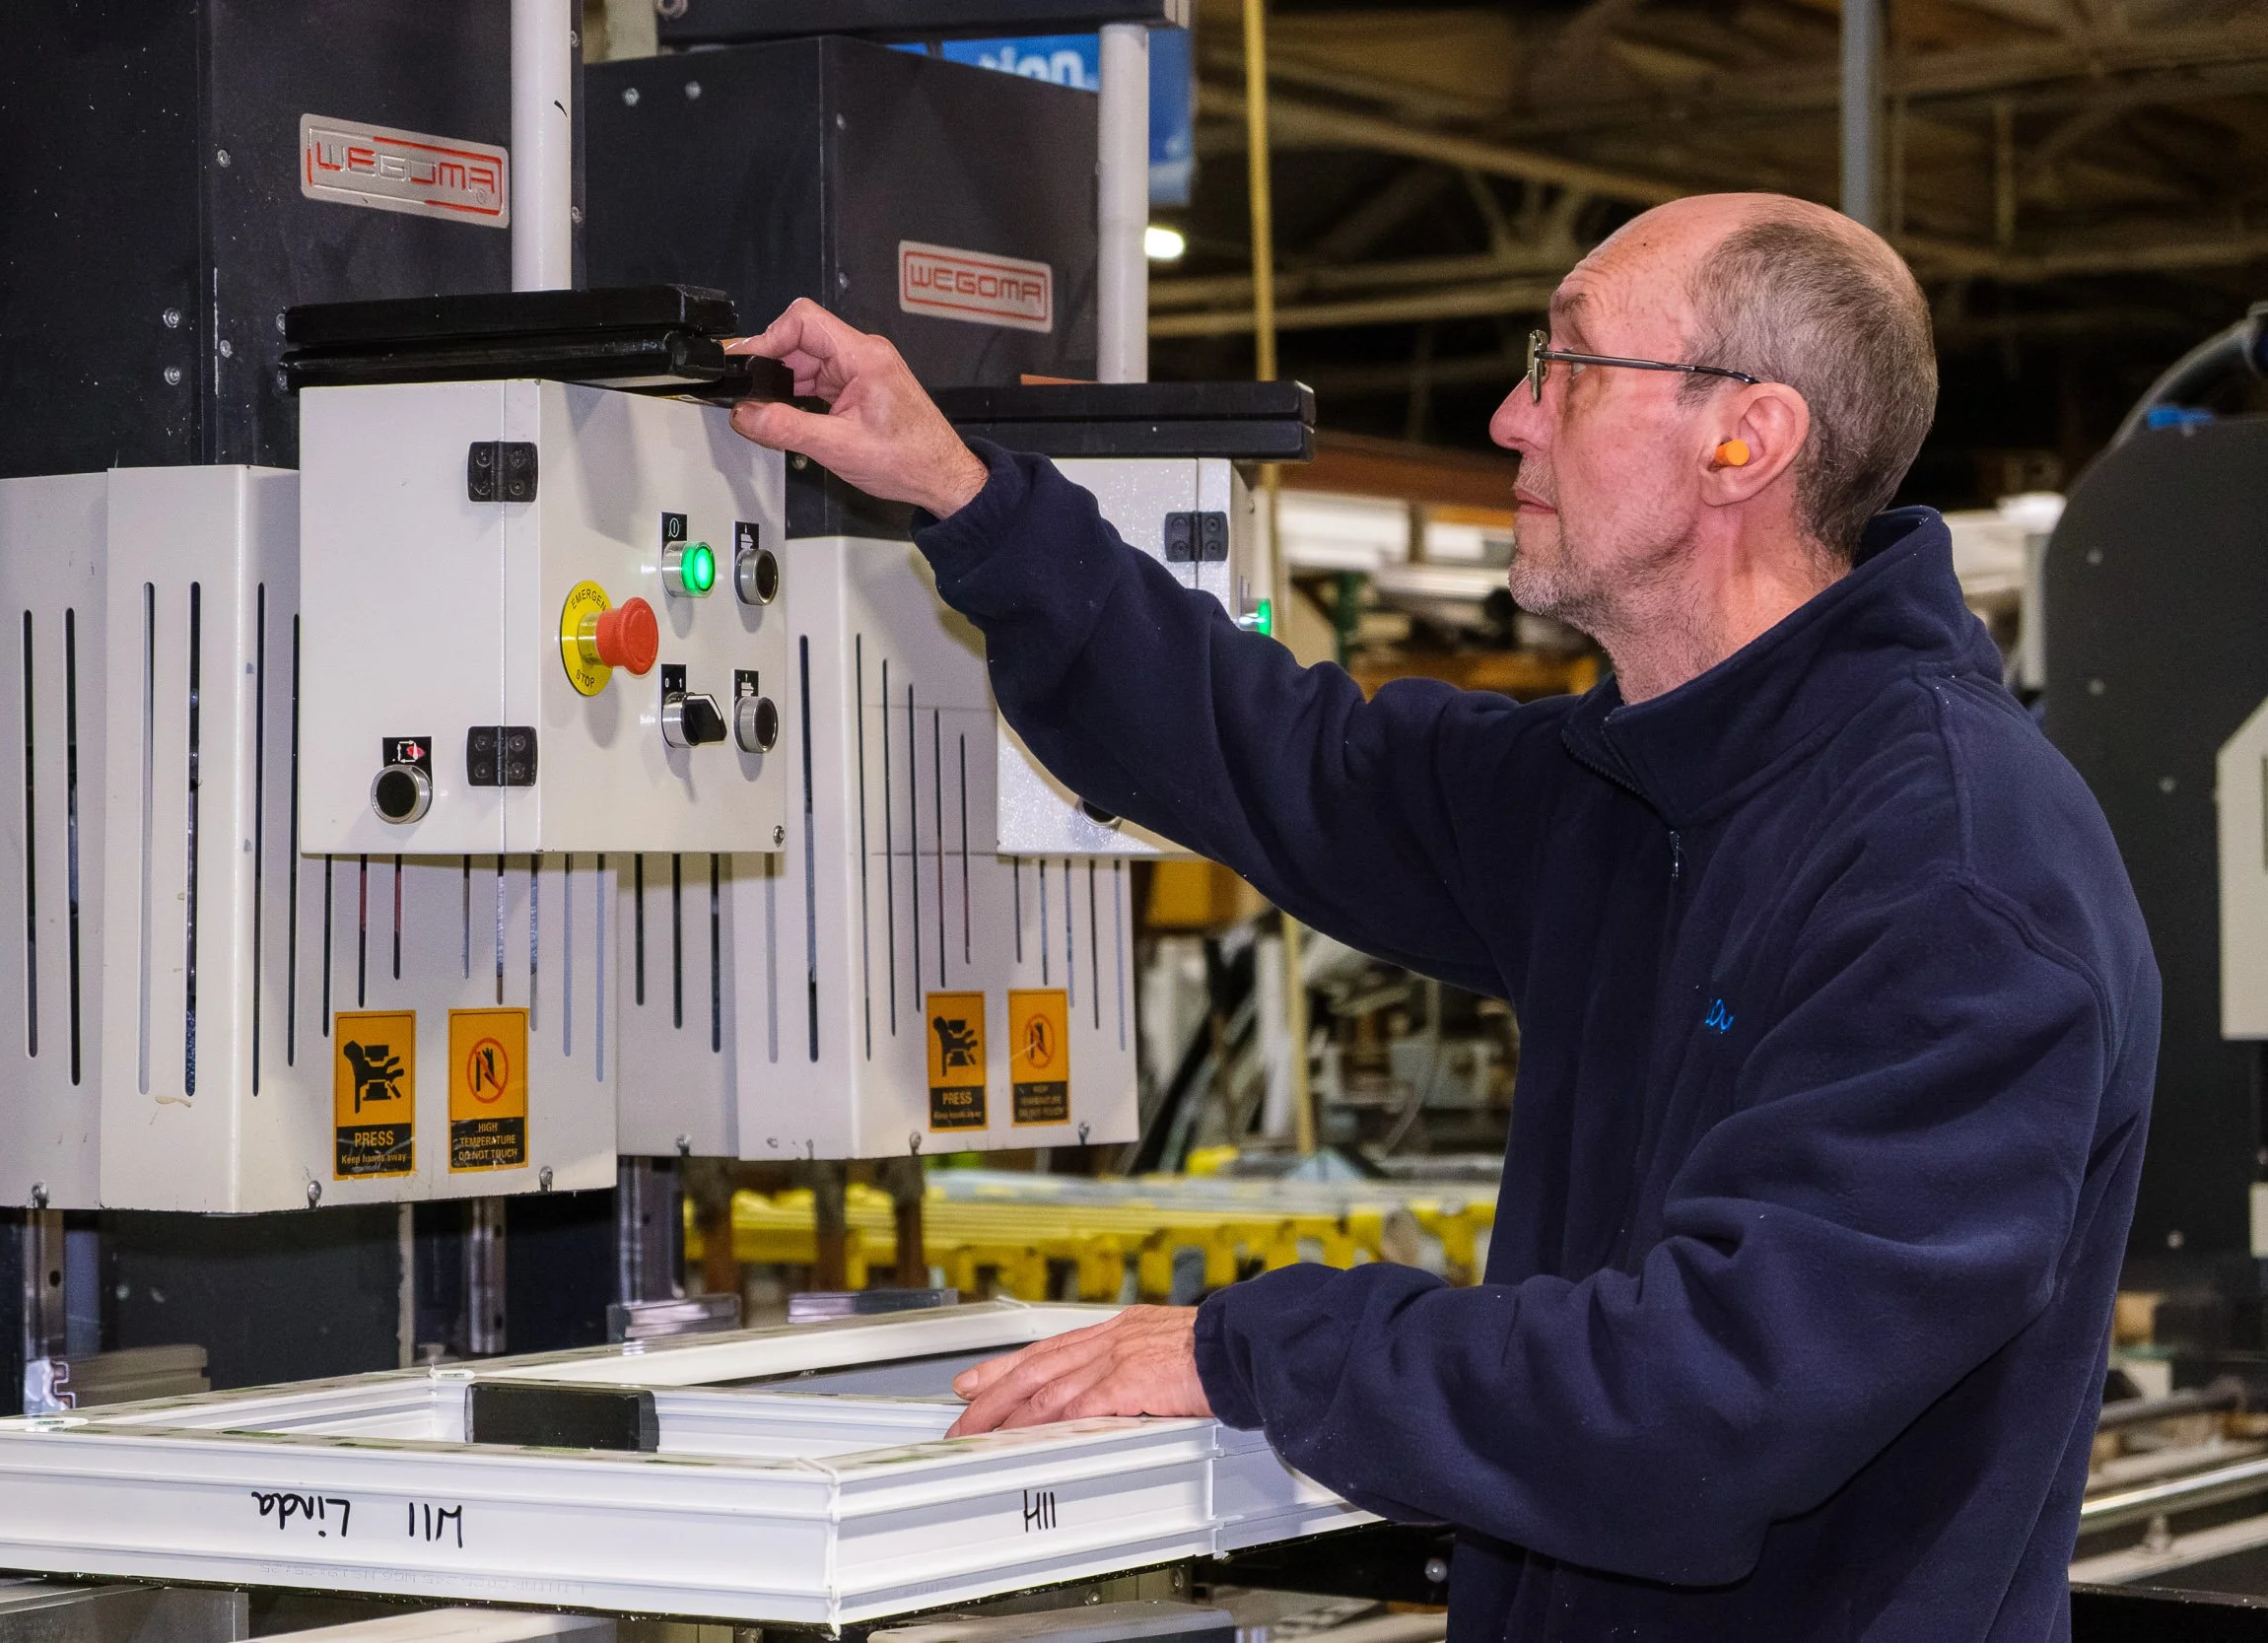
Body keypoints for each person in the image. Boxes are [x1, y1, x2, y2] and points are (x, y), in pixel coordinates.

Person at [727, 192, 2158, 1642]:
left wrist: (1268, 1344)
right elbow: (1285, 758)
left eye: (1567, 368)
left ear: (1746, 437)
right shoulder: (1629, 787)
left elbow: (1712, 1397)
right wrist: (970, 495)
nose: (1509, 419)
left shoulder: (1953, 870)